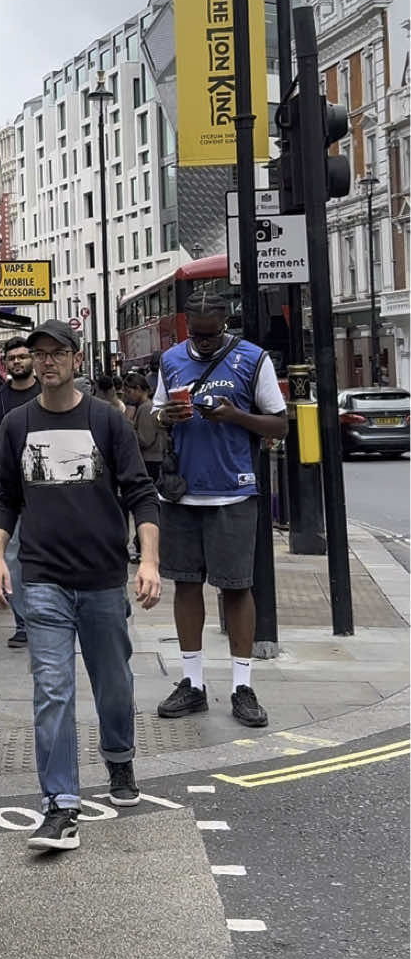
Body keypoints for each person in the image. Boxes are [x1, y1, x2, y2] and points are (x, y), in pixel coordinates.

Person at [0, 321, 161, 853]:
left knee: (113, 681)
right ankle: (60, 805)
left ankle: (118, 758)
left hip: (104, 577)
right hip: (41, 578)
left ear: (76, 358)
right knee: (53, 689)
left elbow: (141, 494)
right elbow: (4, 498)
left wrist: (149, 561)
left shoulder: (107, 421)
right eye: (37, 354)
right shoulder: (17, 424)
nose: (46, 362)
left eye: (56, 352)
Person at [152, 288, 288, 731]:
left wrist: (236, 417)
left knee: (236, 587)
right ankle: (192, 683)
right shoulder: (171, 359)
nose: (205, 341)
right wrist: (166, 417)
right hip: (182, 492)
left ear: (225, 324)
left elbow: (280, 424)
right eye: (198, 333)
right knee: (186, 585)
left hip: (234, 490)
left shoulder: (253, 358)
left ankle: (242, 687)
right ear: (186, 326)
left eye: (212, 334)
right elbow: (155, 415)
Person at [0, 339, 39, 649]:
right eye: (12, 358)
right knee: (13, 556)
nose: (17, 362)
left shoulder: (46, 392)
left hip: (46, 488)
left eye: (22, 356)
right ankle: (24, 623)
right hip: (11, 490)